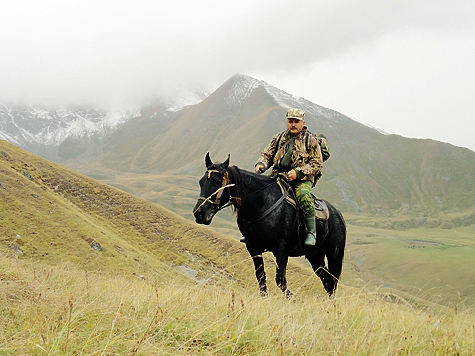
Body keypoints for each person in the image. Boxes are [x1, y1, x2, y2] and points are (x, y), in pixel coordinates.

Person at [240, 108, 323, 246]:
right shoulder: (278, 138)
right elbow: (267, 154)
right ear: (286, 122)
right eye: (290, 121)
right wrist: (262, 164)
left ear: (303, 123)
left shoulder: (310, 141)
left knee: (303, 195)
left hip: (302, 179)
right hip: (277, 175)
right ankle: (250, 230)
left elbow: (316, 164)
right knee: (256, 193)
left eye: (296, 122)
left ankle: (311, 231)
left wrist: (298, 172)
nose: (293, 124)